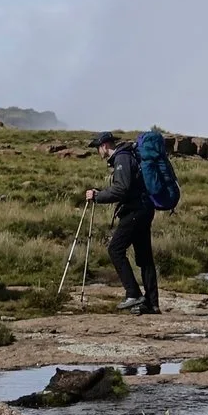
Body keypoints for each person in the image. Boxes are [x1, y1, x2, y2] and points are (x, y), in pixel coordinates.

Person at [85, 131, 159, 315]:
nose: (97, 152)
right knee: (144, 258)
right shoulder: (127, 156)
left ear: (104, 146)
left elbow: (121, 189)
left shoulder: (122, 158)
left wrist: (97, 196)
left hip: (135, 211)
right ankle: (152, 304)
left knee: (115, 249)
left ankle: (133, 294)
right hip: (144, 208)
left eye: (97, 148)